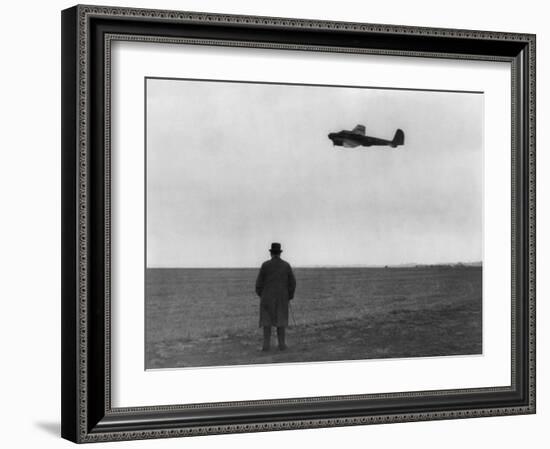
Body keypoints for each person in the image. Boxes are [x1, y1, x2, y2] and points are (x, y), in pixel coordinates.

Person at [255, 242, 296, 351]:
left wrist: (262, 295)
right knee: (281, 321)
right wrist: (289, 296)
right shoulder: (286, 265)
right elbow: (292, 283)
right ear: (279, 253)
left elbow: (258, 284)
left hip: (267, 298)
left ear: (271, 253)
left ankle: (266, 346)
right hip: (282, 298)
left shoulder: (265, 265)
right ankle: (282, 345)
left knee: (266, 322)